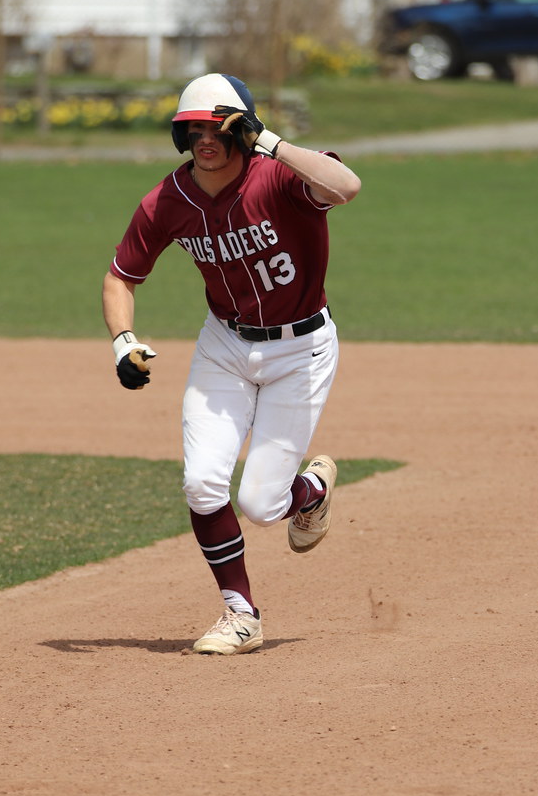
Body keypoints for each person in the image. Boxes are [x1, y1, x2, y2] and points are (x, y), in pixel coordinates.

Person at [102, 73, 361, 655]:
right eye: (192, 128)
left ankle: (309, 489)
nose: (204, 139)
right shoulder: (169, 201)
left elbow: (346, 186)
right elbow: (121, 276)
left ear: (242, 129)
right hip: (224, 346)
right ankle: (240, 613)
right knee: (201, 483)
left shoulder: (281, 178)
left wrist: (270, 142)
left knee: (262, 504)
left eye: (217, 126)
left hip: (301, 349)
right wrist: (123, 340)